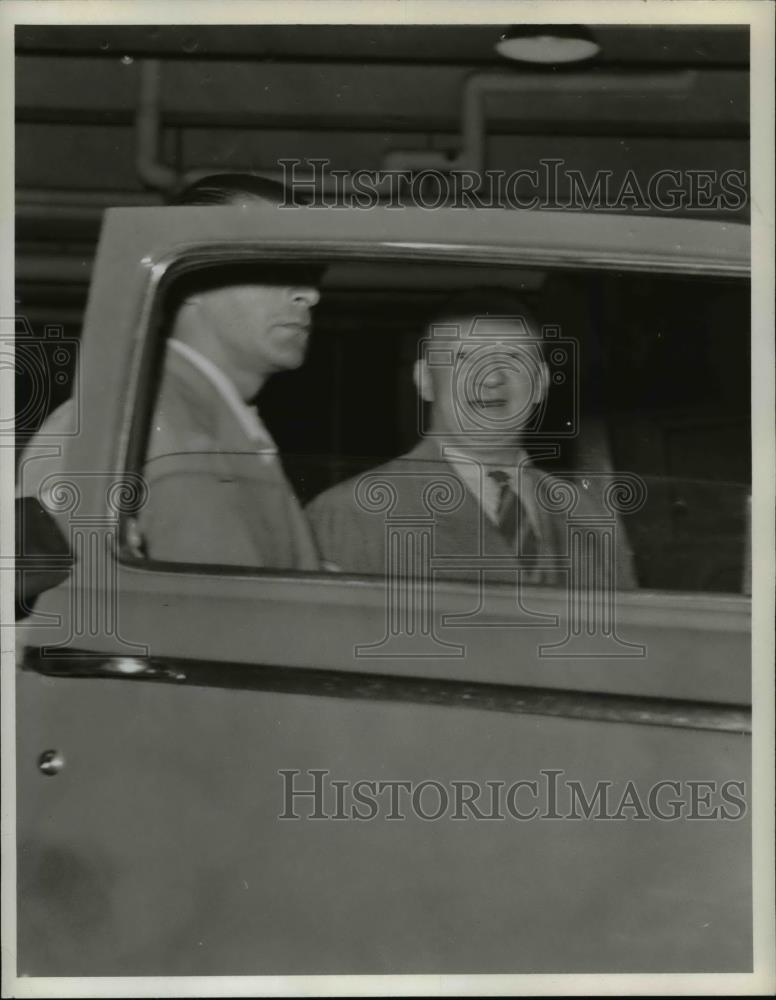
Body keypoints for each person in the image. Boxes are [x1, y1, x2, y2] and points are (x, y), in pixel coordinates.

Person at [17, 173, 322, 571]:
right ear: (190, 275)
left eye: (310, 272)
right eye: (277, 260)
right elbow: (65, 615)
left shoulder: (211, 427)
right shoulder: (114, 428)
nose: (311, 294)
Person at [306, 288, 635, 587]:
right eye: (465, 358)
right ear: (425, 380)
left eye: (514, 358)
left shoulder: (590, 515)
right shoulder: (350, 513)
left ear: (541, 383)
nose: (491, 378)